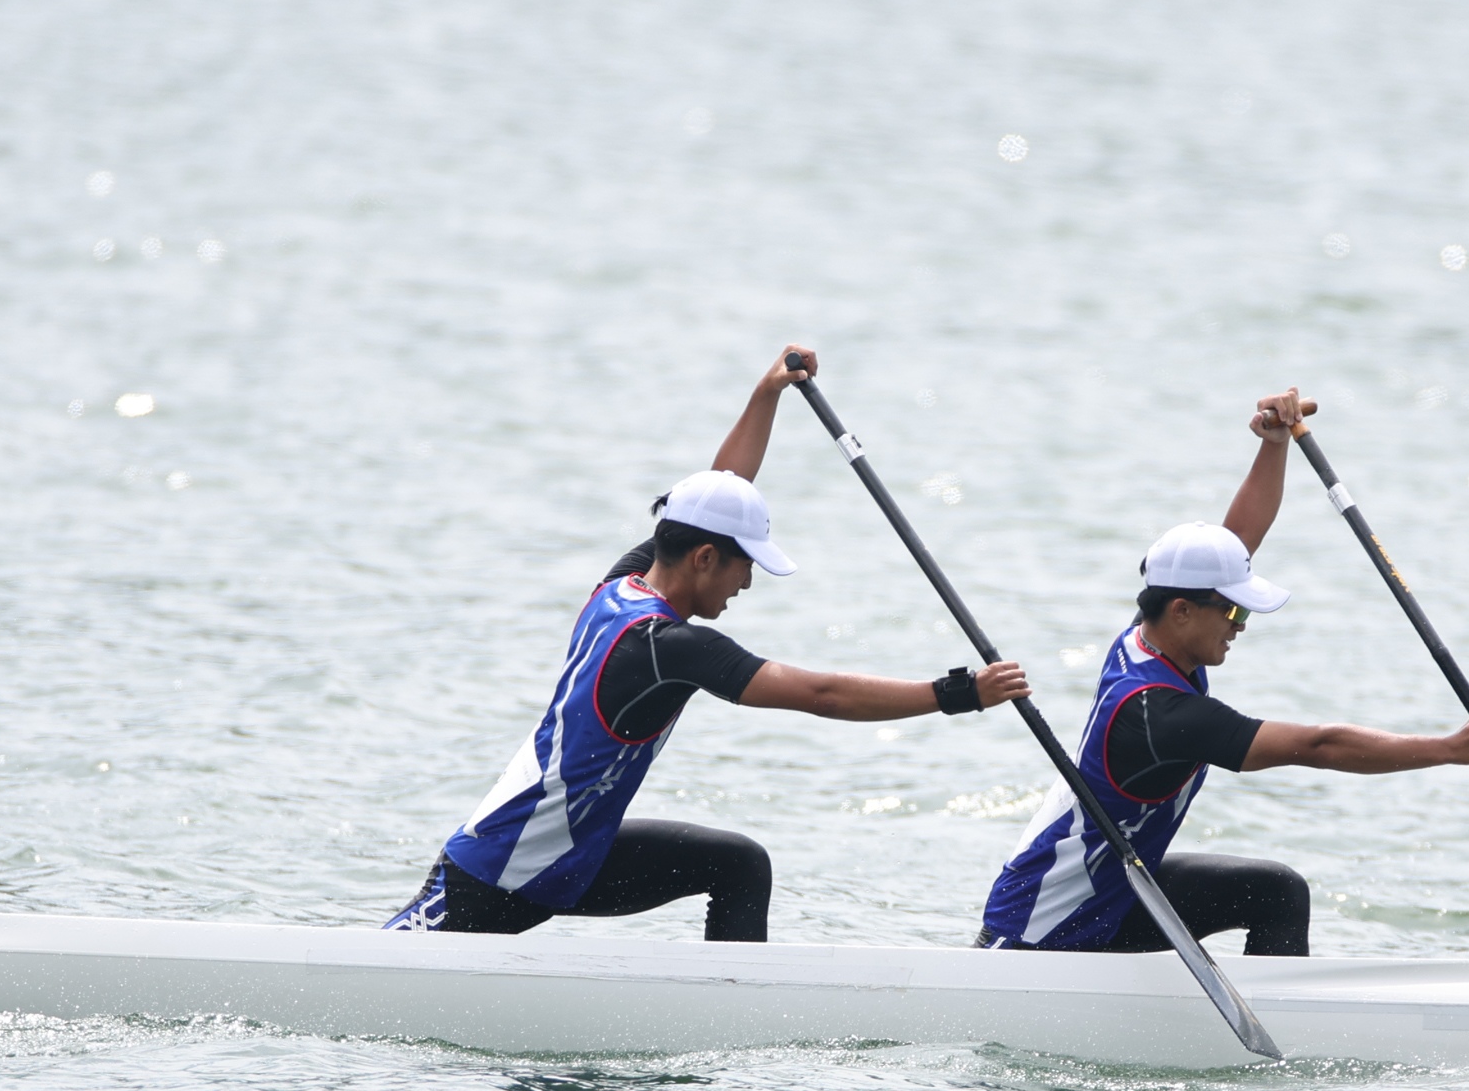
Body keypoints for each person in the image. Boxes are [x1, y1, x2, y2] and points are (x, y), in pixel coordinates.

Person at [389, 346, 1030, 940]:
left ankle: (734, 1006)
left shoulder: (623, 584)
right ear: (703, 559)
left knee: (738, 865)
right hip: (498, 871)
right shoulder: (669, 646)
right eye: (744, 565)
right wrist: (958, 694)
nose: (747, 582)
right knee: (381, 980)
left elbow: (718, 489)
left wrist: (768, 393)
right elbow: (822, 695)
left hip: (574, 858)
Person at [976, 389, 1469, 957]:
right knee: (1275, 891)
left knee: (1275, 893)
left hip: (1111, 896)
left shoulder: (1145, 638)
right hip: (1039, 936)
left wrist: (1274, 445)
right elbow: (1319, 746)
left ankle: (1276, 1000)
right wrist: (1447, 750)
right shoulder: (1162, 714)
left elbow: (1237, 542)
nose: (1241, 626)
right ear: (1182, 610)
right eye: (1233, 611)